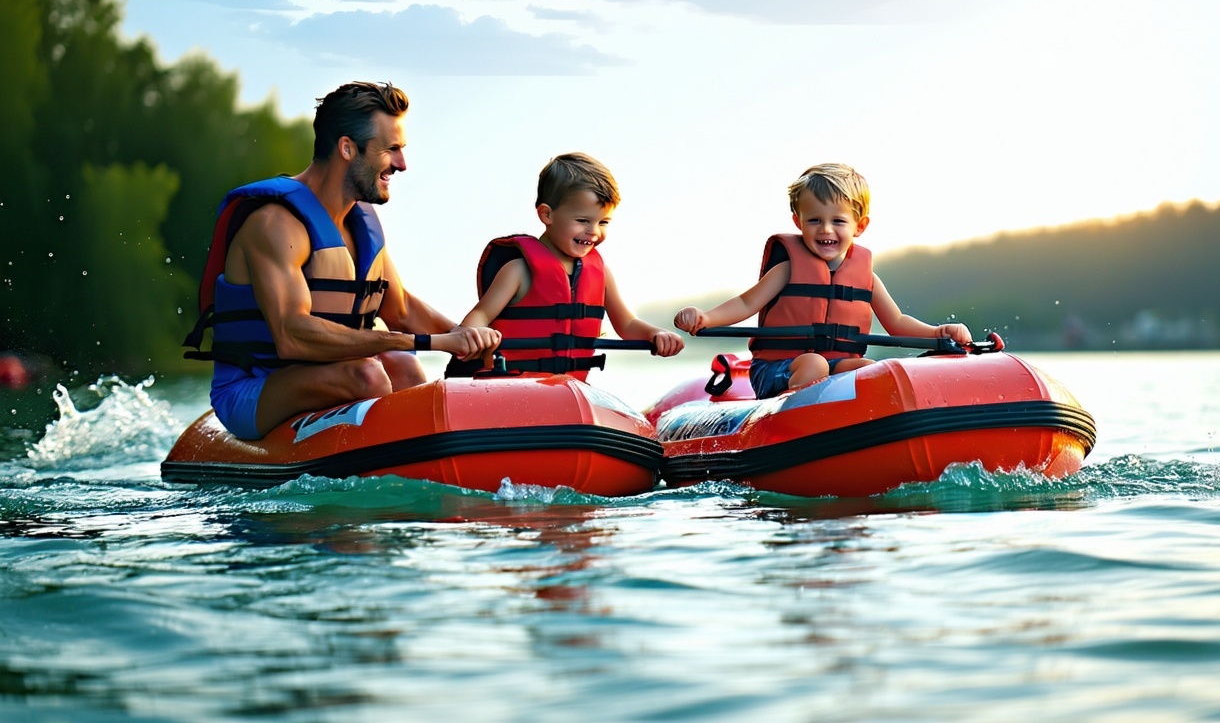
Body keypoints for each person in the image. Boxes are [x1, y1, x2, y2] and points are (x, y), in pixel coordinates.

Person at [183, 81, 500, 440]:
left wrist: (468, 339)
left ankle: (421, 458)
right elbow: (292, 337)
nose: (402, 164)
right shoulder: (275, 224)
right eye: (391, 149)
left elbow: (402, 309)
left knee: (404, 368)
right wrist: (414, 342)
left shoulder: (359, 224)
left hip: (325, 373)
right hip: (253, 388)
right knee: (369, 374)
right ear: (347, 148)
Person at [674, 163, 972, 398]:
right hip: (775, 369)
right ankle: (794, 430)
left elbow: (897, 323)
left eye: (838, 221)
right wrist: (705, 317)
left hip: (833, 366)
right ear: (798, 222)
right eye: (814, 220)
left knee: (869, 370)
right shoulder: (788, 269)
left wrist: (938, 333)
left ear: (860, 226)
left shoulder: (867, 278)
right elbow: (746, 302)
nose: (825, 230)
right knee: (814, 363)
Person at [449, 152, 683, 380]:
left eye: (603, 222)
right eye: (583, 221)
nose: (594, 231)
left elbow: (627, 324)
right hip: (511, 388)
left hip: (568, 392)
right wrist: (473, 333)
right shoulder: (519, 270)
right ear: (547, 214)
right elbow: (481, 314)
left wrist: (655, 334)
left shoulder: (601, 273)